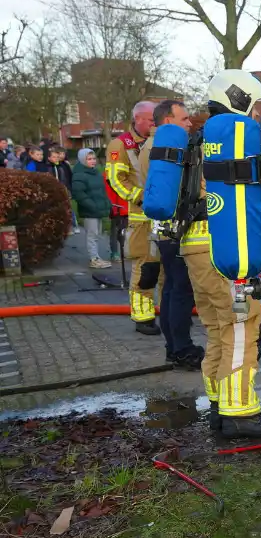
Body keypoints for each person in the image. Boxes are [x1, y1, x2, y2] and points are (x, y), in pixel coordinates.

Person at [189, 70, 261, 439]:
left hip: (193, 246)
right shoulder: (233, 141)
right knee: (242, 327)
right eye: (253, 103)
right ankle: (239, 411)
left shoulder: (200, 139)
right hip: (223, 247)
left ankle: (217, 399)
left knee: (216, 327)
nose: (256, 111)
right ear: (238, 99)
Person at [141, 100, 203, 368]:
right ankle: (182, 348)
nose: (189, 123)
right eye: (184, 118)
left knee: (169, 290)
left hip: (162, 230)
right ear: (167, 120)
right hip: (176, 230)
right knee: (181, 291)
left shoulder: (149, 147)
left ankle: (172, 346)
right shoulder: (167, 148)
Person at [108, 100, 163, 335]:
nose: (154, 125)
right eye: (151, 120)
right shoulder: (120, 145)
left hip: (164, 215)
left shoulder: (159, 140)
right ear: (138, 118)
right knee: (144, 266)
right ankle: (143, 317)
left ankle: (171, 310)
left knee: (168, 268)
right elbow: (116, 180)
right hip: (141, 218)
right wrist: (141, 197)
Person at [71, 149, 113, 269]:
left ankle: (97, 257)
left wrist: (106, 204)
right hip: (90, 211)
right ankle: (94, 258)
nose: (92, 161)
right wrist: (93, 206)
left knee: (97, 234)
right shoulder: (79, 175)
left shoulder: (96, 173)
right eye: (89, 159)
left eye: (94, 158)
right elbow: (79, 194)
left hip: (98, 209)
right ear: (83, 160)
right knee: (92, 235)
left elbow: (101, 191)